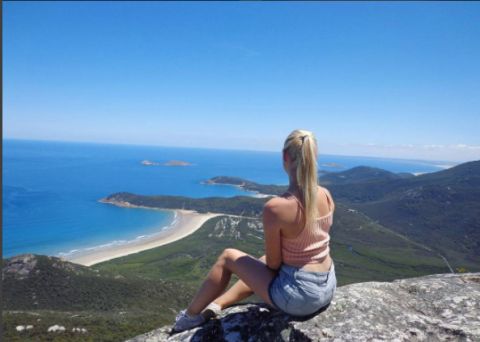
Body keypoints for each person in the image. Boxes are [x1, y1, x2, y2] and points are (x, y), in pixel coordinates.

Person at [173, 129, 336, 332]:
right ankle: (217, 305)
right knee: (261, 261)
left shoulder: (277, 207)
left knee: (228, 257)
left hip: (300, 298)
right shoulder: (326, 195)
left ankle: (189, 318)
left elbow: (275, 264)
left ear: (285, 157)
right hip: (327, 286)